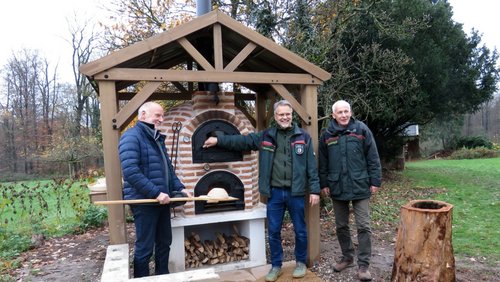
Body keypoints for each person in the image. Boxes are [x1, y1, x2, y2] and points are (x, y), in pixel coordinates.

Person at [203, 100, 320, 282]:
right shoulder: (266, 136)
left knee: (301, 230)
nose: (284, 117)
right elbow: (242, 141)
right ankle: (276, 266)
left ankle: (300, 262)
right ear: (275, 116)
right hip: (274, 193)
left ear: (291, 115)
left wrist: (314, 190)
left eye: (287, 114)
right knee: (273, 231)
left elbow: (311, 167)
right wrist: (218, 140)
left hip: (296, 193)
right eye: (281, 114)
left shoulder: (303, 137)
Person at [119, 101, 191, 277]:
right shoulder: (131, 137)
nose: (161, 119)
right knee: (144, 247)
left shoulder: (157, 138)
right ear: (143, 115)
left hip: (162, 201)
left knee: (164, 243)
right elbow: (130, 172)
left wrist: (180, 188)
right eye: (157, 115)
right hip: (145, 202)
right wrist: (155, 193)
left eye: (162, 115)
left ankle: (162, 276)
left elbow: (168, 169)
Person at [318, 100, 382, 281]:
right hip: (337, 186)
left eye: (346, 111)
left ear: (350, 112)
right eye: (340, 112)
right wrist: (324, 183)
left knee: (363, 226)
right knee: (341, 226)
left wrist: (375, 180)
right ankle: (347, 257)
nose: (344, 115)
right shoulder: (327, 135)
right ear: (334, 115)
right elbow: (323, 163)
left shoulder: (361, 130)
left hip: (360, 185)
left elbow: (373, 156)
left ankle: (363, 265)